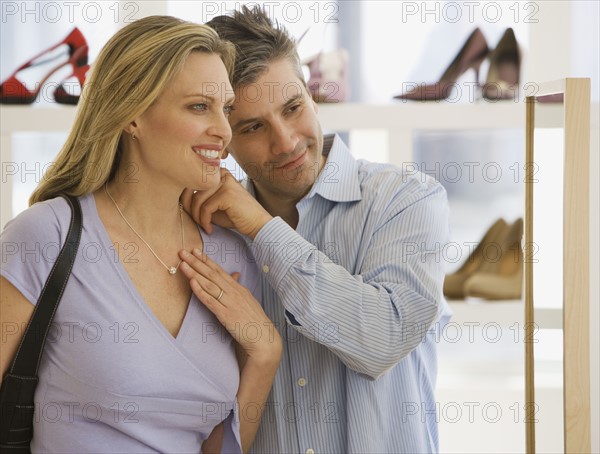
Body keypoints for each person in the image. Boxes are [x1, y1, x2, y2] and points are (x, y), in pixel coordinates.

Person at [0, 16, 281, 453]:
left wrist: (265, 355)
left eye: (225, 109)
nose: (224, 131)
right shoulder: (47, 236)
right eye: (198, 106)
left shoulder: (232, 256)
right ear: (133, 116)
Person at [179, 6, 452, 453]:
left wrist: (263, 229)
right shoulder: (206, 232)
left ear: (310, 92)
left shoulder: (409, 199)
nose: (286, 141)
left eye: (293, 107)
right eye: (253, 127)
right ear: (223, 137)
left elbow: (381, 339)